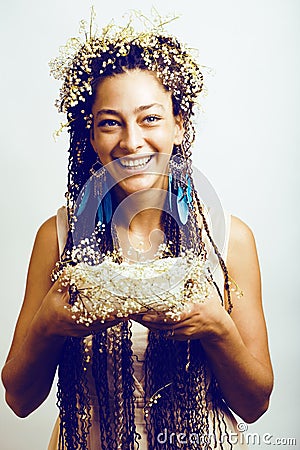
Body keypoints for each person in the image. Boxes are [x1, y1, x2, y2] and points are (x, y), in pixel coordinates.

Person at [1, 10, 273, 450]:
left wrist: (216, 327)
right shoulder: (59, 237)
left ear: (178, 126)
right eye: (110, 122)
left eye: (150, 118)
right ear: (91, 137)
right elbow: (18, 399)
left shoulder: (229, 240)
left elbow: (256, 403)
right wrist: (49, 325)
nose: (131, 141)